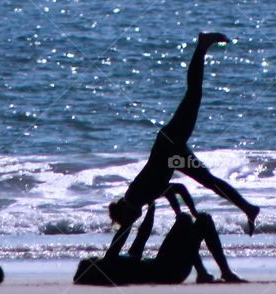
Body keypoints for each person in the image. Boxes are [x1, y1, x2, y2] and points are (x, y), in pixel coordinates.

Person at [106, 32, 260, 258]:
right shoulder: (138, 198)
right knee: (209, 181)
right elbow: (173, 189)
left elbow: (165, 192)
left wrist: (182, 211)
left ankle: (202, 46)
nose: (133, 223)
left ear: (127, 214)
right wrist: (184, 211)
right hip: (172, 155)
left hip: (169, 145)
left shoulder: (135, 197)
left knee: (194, 93)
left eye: (129, 222)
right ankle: (249, 208)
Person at [75, 200, 244, 285]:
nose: (94, 258)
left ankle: (217, 273)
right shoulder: (111, 264)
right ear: (94, 267)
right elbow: (120, 241)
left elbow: (142, 236)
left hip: (170, 270)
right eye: (91, 260)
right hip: (167, 271)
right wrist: (129, 221)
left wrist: (151, 207)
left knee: (203, 220)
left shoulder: (123, 264)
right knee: (185, 220)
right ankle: (206, 273)